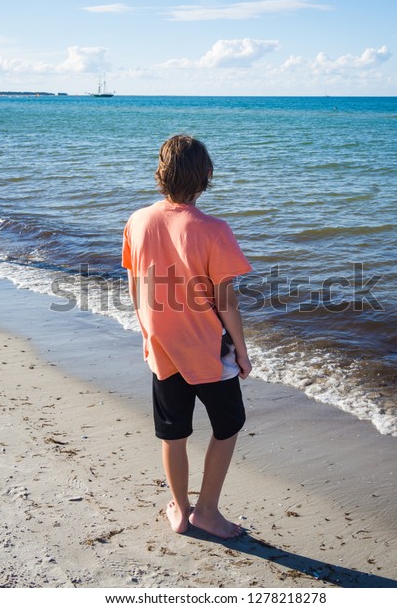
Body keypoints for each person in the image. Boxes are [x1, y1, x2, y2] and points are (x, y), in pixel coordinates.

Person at [122, 134, 252, 539]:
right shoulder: (214, 230)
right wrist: (243, 353)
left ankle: (180, 511)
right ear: (206, 176)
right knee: (228, 424)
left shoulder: (138, 220)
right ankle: (207, 512)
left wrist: (149, 334)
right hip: (209, 351)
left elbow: (135, 285)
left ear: (162, 174)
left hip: (162, 348)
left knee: (173, 432)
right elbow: (226, 302)